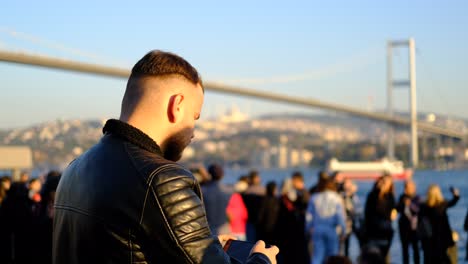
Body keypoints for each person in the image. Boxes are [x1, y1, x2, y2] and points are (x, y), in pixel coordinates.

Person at [53, 50, 278, 264]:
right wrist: (261, 260)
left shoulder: (74, 170)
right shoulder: (163, 179)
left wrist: (204, 248)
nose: (193, 132)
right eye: (195, 116)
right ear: (177, 105)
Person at [306, 178, 346, 264]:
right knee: (333, 256)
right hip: (331, 229)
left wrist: (308, 229)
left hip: (317, 229)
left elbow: (309, 216)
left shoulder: (314, 197)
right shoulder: (336, 197)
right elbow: (340, 216)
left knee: (317, 256)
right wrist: (343, 230)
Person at [419, 184, 459, 264]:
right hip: (443, 237)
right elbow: (453, 202)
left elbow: (421, 222)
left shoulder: (423, 207)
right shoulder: (442, 204)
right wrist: (456, 195)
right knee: (444, 258)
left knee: (431, 259)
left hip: (429, 238)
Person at [363, 174, 396, 261]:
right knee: (374, 255)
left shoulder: (390, 196)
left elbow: (392, 212)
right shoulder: (373, 196)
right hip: (374, 230)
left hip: (385, 230)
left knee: (383, 255)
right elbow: (370, 213)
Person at [202, 163, 232, 235]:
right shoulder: (228, 190)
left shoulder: (203, 191)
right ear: (222, 175)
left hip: (209, 229)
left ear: (209, 174)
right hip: (224, 228)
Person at [396, 180, 421, 264]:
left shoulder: (417, 198)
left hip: (414, 227)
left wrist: (410, 204)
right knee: (405, 249)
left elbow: (418, 210)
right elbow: (397, 209)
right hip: (403, 226)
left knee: (415, 248)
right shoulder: (402, 197)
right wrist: (403, 203)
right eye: (406, 187)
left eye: (409, 187)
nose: (407, 189)